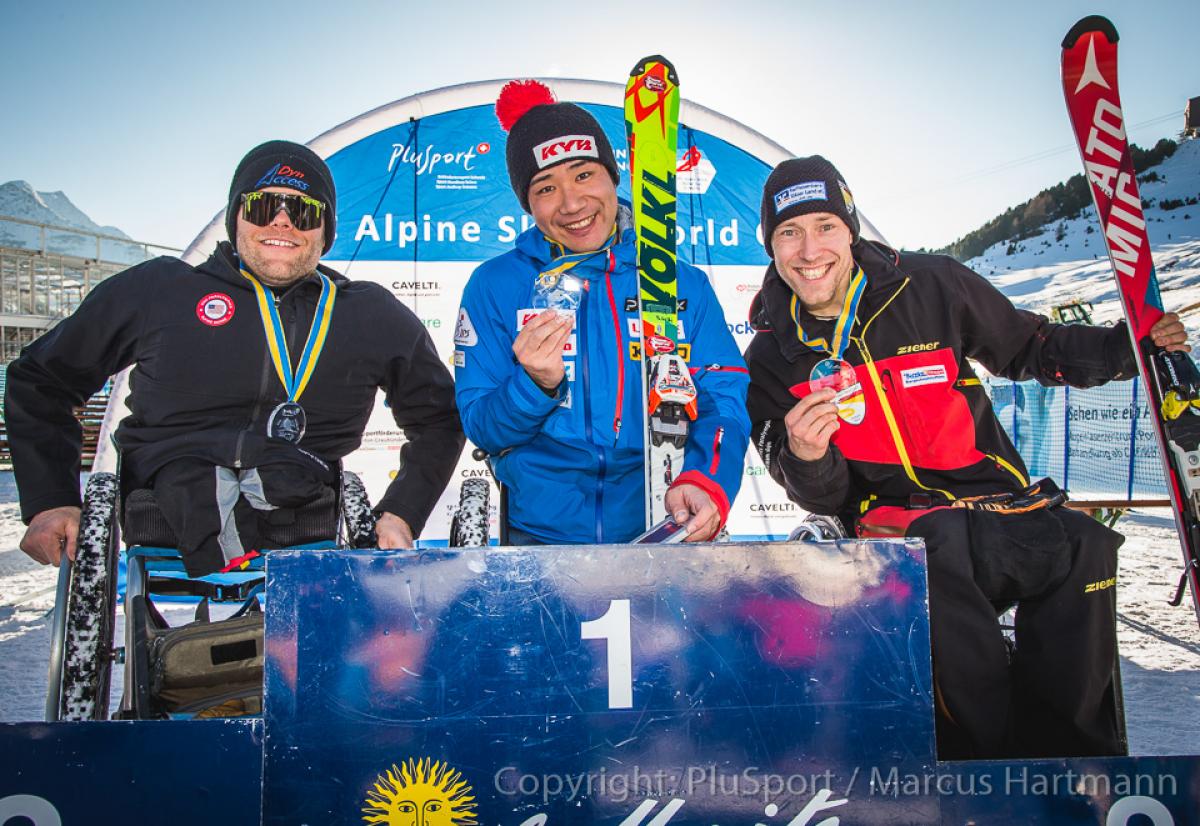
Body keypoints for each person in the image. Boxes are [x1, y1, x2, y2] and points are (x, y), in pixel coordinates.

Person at [743, 155, 1190, 760]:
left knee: (1084, 544)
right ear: (771, 247)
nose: (808, 248)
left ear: (850, 229)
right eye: (788, 233)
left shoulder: (930, 286)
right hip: (897, 524)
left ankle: (1076, 763)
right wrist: (806, 452)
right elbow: (818, 495)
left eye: (824, 225)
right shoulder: (772, 353)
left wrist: (1123, 349)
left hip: (1001, 504)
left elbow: (1029, 346)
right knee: (937, 556)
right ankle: (985, 767)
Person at [7, 140, 464, 576]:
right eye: (264, 207)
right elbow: (42, 380)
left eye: (303, 211)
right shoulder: (159, 290)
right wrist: (52, 499)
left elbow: (439, 419)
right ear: (236, 219)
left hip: (304, 513)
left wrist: (401, 512)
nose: (283, 223)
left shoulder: (369, 312)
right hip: (170, 506)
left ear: (325, 230)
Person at [453, 80, 749, 544]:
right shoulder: (497, 285)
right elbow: (483, 426)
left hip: (663, 525)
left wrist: (705, 479)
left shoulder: (679, 282)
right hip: (540, 540)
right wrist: (534, 386)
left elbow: (722, 397)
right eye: (546, 187)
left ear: (614, 176)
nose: (571, 203)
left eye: (584, 175)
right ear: (528, 204)